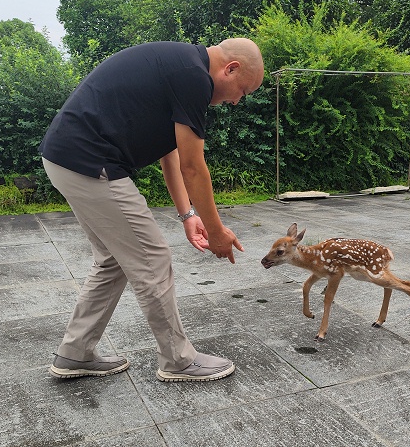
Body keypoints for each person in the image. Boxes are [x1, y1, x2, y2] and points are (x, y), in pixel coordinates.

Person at [39, 38, 264, 382]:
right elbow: (193, 166)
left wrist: (188, 216)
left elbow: (170, 154)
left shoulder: (181, 65)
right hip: (91, 161)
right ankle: (178, 360)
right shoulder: (194, 76)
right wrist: (217, 231)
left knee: (113, 259)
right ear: (230, 68)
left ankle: (75, 353)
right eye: (242, 91)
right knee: (153, 257)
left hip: (67, 157)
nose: (236, 101)